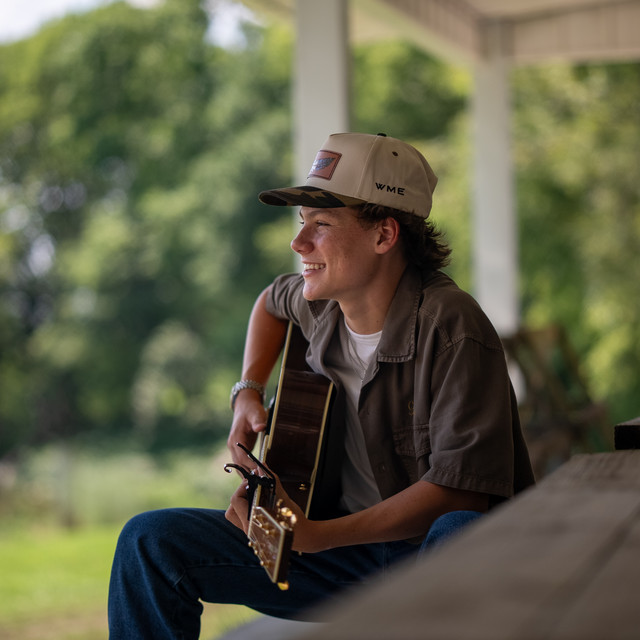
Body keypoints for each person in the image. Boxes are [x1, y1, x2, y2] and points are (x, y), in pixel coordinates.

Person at [108, 132, 534, 639]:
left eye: (322, 225)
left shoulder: (452, 325)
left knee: (458, 530)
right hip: (344, 558)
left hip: (437, 559)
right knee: (150, 541)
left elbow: (458, 494)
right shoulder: (321, 304)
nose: (299, 242)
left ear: (384, 235)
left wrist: (317, 536)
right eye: (302, 222)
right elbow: (270, 301)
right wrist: (247, 392)